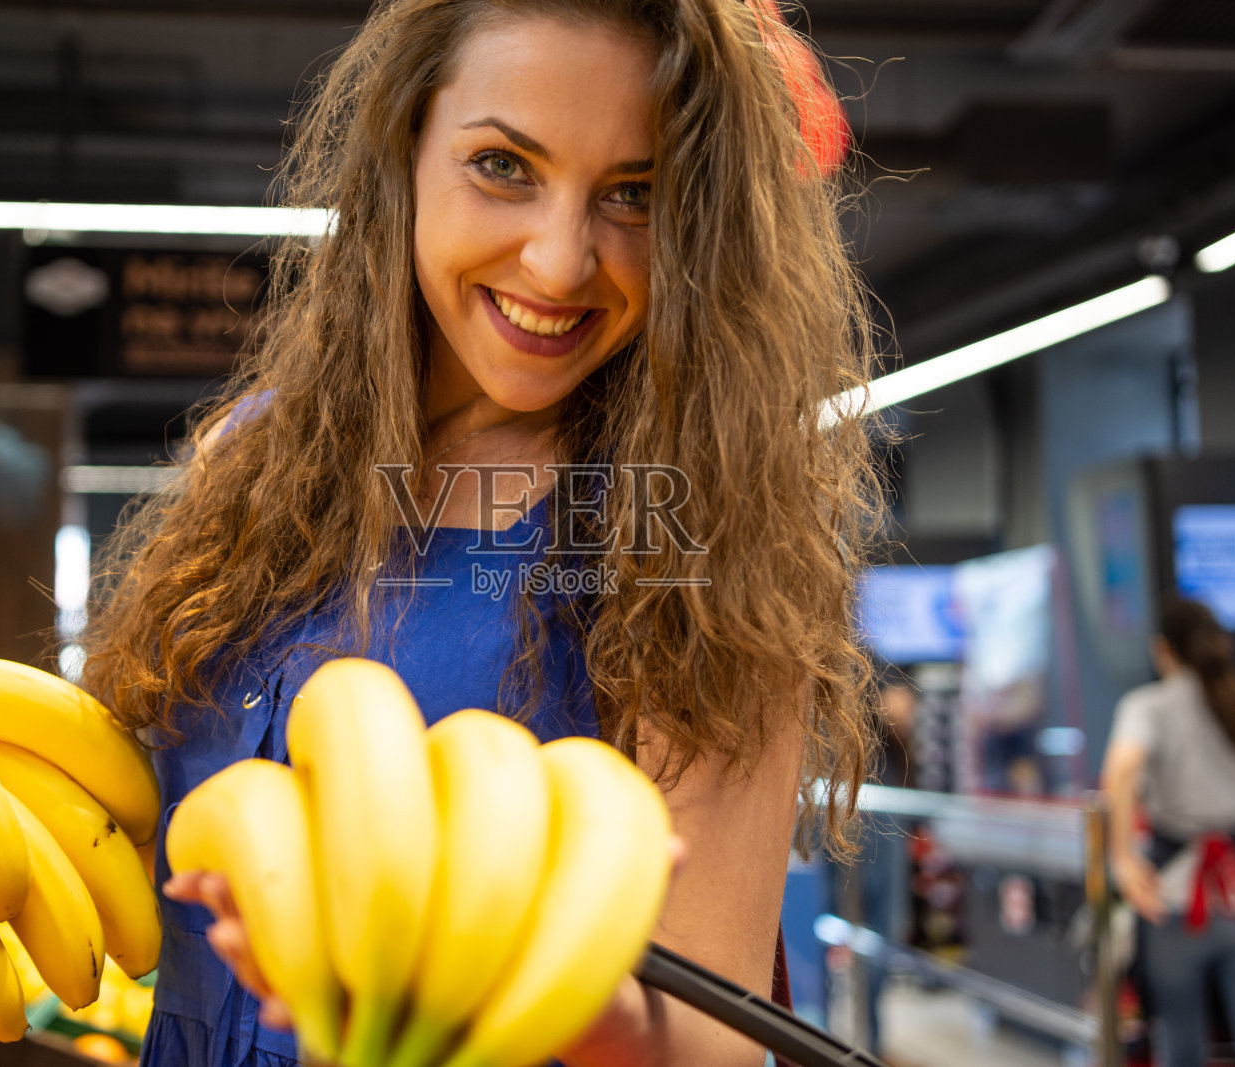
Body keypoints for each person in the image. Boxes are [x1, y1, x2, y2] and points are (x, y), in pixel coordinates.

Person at [78, 0, 882, 1064]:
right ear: (404, 150)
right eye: (503, 165)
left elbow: (712, 1039)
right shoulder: (255, 449)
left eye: (633, 196)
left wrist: (475, 975)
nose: (559, 262)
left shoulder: (697, 536)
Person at [1100, 598, 1235, 1067]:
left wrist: (1122, 858)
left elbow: (1120, 771)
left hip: (1172, 902)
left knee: (1181, 1051)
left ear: (1163, 652)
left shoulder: (1148, 706)